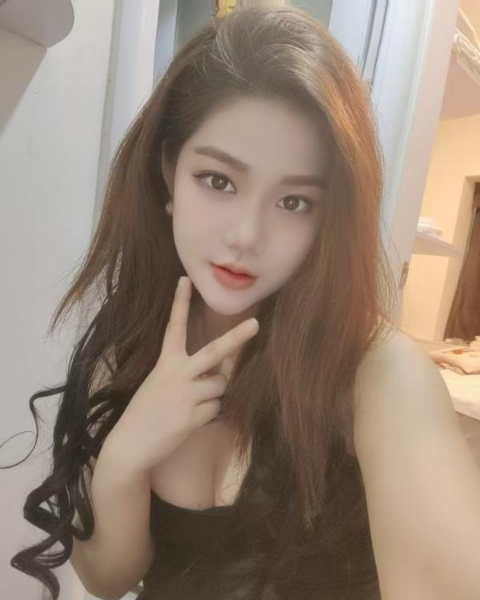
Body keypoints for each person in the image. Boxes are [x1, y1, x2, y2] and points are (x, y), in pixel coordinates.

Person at [7, 4, 400, 599]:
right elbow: (109, 580)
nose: (246, 235)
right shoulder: (127, 348)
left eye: (294, 202)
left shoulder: (375, 371)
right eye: (219, 181)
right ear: (169, 169)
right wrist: (125, 456)